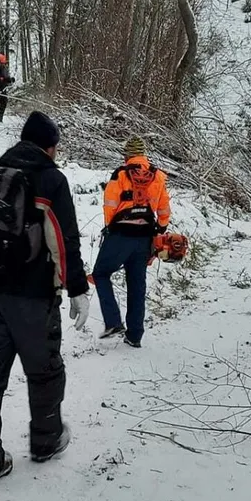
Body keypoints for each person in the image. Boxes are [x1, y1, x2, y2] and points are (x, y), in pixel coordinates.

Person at [0, 111, 90, 485]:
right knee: (45, 370)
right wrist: (78, 289)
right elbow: (64, 242)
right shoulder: (50, 179)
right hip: (33, 298)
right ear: (49, 146)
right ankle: (46, 441)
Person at [93, 136, 172, 348]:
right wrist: (161, 229)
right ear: (144, 155)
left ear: (126, 155)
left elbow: (110, 204)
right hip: (145, 236)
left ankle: (113, 322)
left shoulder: (120, 174)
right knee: (137, 285)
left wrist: (110, 227)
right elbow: (164, 208)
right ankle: (135, 336)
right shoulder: (157, 176)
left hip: (121, 234)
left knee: (100, 273)